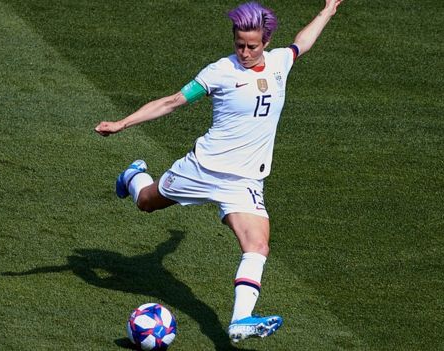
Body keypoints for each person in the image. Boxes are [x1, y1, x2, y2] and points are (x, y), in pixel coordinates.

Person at [95, 0, 344, 343]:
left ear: (267, 42)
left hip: (244, 182)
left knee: (257, 244)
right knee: (147, 202)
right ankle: (133, 175)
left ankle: (240, 319)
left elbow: (302, 42)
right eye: (239, 44)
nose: (244, 52)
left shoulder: (279, 63)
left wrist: (328, 10)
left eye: (252, 46)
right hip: (202, 169)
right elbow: (172, 102)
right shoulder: (219, 72)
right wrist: (123, 123)